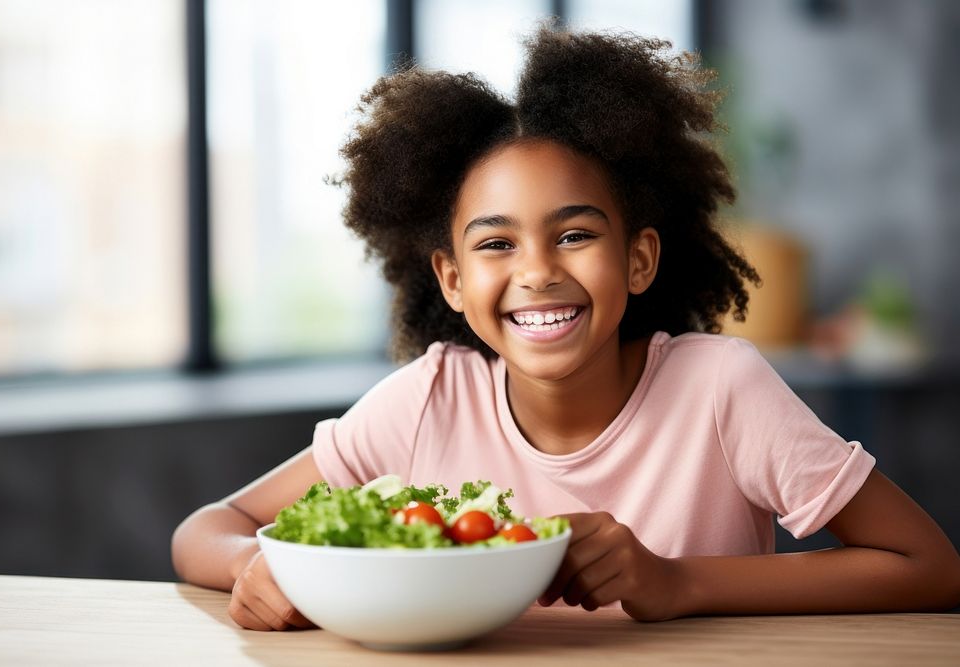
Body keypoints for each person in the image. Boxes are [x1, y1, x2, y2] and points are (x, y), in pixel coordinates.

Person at [172, 26, 960, 631]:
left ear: (639, 258)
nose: (538, 270)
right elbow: (208, 528)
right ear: (452, 278)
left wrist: (677, 581)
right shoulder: (428, 400)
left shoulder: (721, 388)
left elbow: (928, 565)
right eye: (496, 244)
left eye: (575, 235)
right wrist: (258, 565)